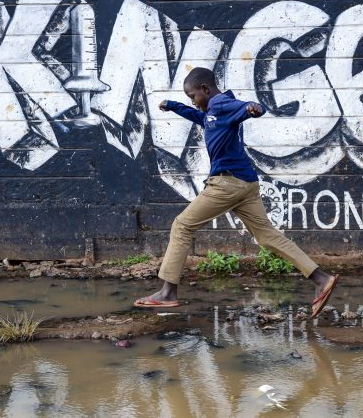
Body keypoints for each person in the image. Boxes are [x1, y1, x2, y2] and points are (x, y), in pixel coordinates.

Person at [134, 67, 338, 317]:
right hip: (246, 184)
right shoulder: (210, 113)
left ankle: (167, 293)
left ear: (206, 90)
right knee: (267, 237)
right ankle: (321, 279)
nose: (193, 102)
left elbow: (247, 108)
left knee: (182, 226)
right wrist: (173, 105)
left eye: (193, 96)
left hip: (227, 184)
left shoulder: (221, 105)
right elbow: (196, 116)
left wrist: (254, 109)